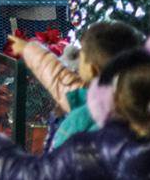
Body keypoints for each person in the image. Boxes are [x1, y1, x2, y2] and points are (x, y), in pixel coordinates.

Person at [0, 35, 150, 179]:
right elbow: (58, 77)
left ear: (92, 70)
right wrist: (30, 50)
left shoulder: (87, 145)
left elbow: (35, 174)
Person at [11, 21, 141, 148]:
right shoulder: (130, 103)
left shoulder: (86, 122)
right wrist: (27, 49)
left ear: (92, 69)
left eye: (81, 54)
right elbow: (58, 77)